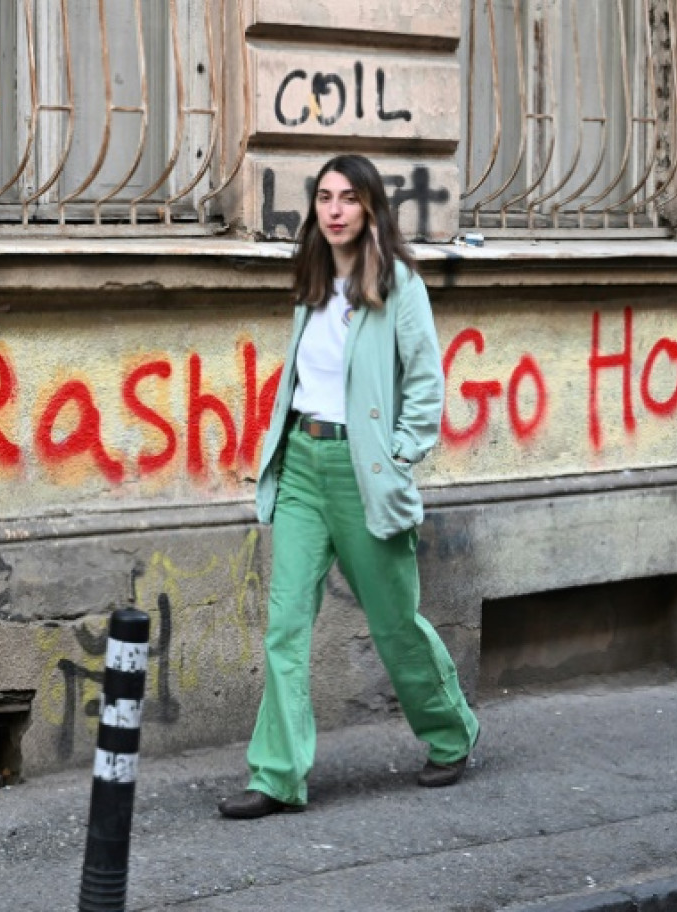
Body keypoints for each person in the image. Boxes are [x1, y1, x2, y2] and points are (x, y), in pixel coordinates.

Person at [218, 155, 480, 820]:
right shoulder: (312, 283)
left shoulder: (400, 287)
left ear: (370, 210)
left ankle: (450, 732)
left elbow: (425, 382)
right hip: (305, 464)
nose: (334, 210)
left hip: (364, 474)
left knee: (393, 624)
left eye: (348, 199)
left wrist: (398, 455)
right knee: (285, 626)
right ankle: (277, 774)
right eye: (324, 198)